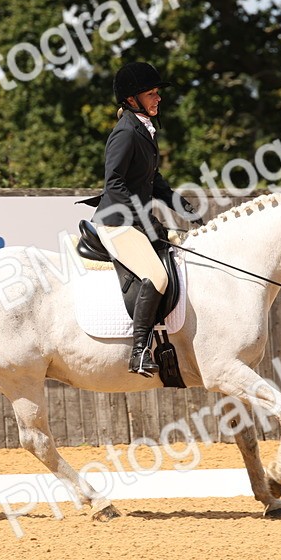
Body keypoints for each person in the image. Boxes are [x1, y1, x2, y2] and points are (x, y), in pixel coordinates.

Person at [91, 61, 202, 376]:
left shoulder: (143, 130)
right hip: (117, 222)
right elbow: (114, 183)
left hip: (136, 220)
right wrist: (143, 219)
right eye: (151, 93)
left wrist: (188, 211)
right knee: (158, 276)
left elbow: (155, 183)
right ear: (131, 99)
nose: (158, 98)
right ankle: (139, 352)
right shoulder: (125, 133)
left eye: (157, 93)